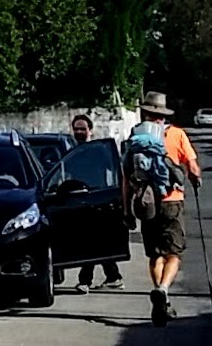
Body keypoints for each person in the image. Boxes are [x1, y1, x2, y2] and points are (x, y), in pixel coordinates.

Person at [130, 91, 201, 326]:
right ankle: (163, 289)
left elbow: (125, 175)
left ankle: (161, 300)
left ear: (145, 112)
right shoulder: (177, 134)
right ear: (162, 113)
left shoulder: (135, 136)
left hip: (147, 201)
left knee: (155, 254)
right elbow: (192, 167)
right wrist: (195, 179)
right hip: (172, 200)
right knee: (174, 253)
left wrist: (126, 207)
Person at [70, 113, 124, 293]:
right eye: (76, 129)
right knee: (97, 242)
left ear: (90, 131)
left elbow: (114, 170)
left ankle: (85, 280)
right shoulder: (72, 153)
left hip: (98, 200)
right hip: (78, 201)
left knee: (91, 242)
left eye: (82, 129)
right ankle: (114, 276)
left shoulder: (98, 150)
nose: (79, 132)